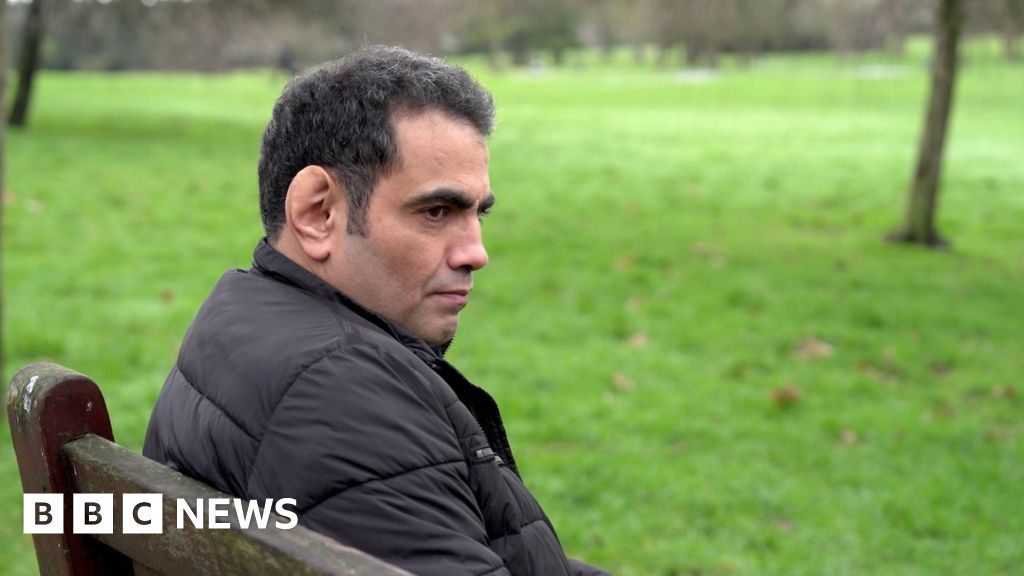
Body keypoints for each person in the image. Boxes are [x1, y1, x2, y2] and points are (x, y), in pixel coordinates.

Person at [143, 46, 610, 576]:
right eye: (436, 211)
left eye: (478, 214)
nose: (476, 253)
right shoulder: (340, 395)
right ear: (318, 213)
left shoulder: (244, 316)